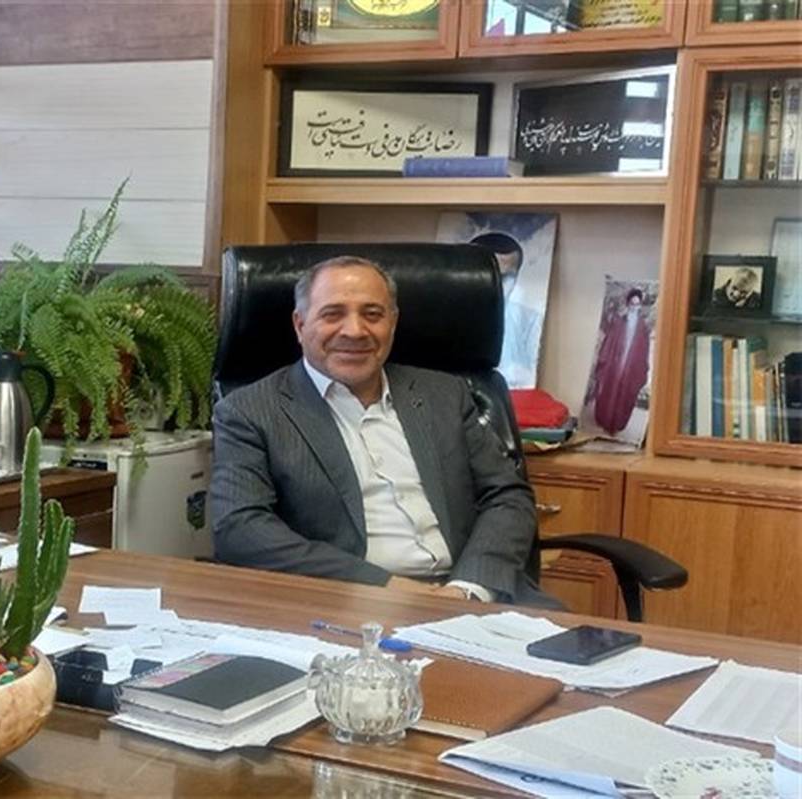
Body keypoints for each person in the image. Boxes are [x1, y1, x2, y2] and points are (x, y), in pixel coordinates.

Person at [209, 255, 556, 607]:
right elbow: (240, 528)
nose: (354, 331)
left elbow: (507, 496)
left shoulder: (445, 395)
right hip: (346, 601)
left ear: (393, 322)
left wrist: (469, 587)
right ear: (300, 325)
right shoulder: (250, 411)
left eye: (372, 314)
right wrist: (382, 585)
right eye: (332, 314)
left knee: (575, 642)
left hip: (475, 594)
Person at [470, 231, 544, 390]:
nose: (497, 285)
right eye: (490, 275)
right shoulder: (440, 319)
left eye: (508, 277)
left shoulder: (531, 323)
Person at [588, 287, 651, 436]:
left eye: (637, 304)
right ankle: (604, 421)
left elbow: (644, 349)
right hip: (614, 364)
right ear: (628, 304)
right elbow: (608, 342)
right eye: (632, 304)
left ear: (640, 306)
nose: (634, 307)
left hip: (631, 365)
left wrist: (640, 368)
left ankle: (616, 425)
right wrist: (604, 360)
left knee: (624, 396)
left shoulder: (643, 327)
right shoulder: (619, 322)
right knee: (609, 391)